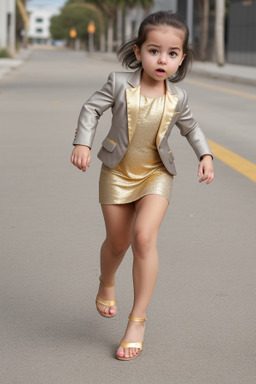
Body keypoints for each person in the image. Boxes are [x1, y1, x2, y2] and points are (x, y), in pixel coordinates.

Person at [71, 10, 214, 361]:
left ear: (181, 58)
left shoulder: (178, 98)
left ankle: (137, 320)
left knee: (144, 238)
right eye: (154, 50)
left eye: (171, 53)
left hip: (156, 173)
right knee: (118, 243)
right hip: (117, 172)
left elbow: (191, 128)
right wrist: (82, 143)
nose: (162, 59)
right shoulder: (119, 83)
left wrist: (205, 154)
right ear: (138, 52)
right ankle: (107, 282)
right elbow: (91, 110)